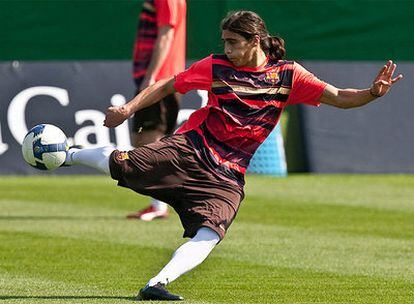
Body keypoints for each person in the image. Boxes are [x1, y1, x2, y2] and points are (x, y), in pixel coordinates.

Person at [63, 10, 403, 301]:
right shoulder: (216, 66)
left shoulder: (288, 75)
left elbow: (340, 97)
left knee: (211, 231)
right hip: (191, 149)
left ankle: (156, 284)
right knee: (125, 164)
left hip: (228, 173)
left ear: (255, 41)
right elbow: (169, 84)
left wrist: (372, 94)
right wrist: (127, 108)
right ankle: (69, 154)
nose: (226, 48)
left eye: (233, 42)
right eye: (224, 41)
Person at [128, 0, 186, 221]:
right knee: (145, 141)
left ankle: (160, 204)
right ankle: (160, 202)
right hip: (162, 79)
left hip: (161, 80)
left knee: (150, 141)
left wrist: (151, 77)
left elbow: (166, 34)